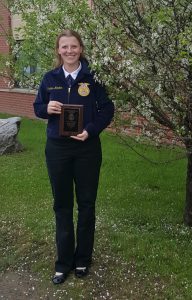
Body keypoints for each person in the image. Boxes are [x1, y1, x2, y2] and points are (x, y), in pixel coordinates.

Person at [33, 29, 114, 284]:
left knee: (87, 205)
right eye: (65, 47)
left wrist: (90, 131)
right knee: (62, 205)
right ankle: (63, 262)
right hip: (58, 149)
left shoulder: (93, 78)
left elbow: (107, 109)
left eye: (74, 46)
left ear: (81, 49)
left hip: (87, 149)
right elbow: (37, 107)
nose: (69, 51)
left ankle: (83, 260)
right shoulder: (50, 79)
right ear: (58, 50)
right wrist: (47, 108)